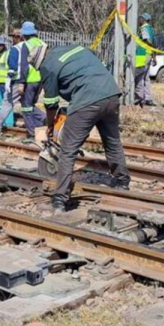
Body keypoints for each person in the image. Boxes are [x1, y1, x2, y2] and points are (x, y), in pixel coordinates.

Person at [29, 43, 131, 213]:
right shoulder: (74, 48)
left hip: (87, 100)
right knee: (112, 142)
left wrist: (50, 124)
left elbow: (51, 103)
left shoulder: (47, 66)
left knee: (67, 150)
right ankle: (123, 182)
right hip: (111, 93)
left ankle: (59, 200)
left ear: (39, 61)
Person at [7, 22, 46, 139]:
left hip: (29, 80)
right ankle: (41, 134)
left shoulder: (26, 45)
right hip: (40, 80)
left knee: (26, 108)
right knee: (31, 105)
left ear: (24, 35)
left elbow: (24, 66)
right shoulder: (42, 44)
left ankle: (32, 134)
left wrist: (21, 84)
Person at [0, 36, 16, 133]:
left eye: (0, 45)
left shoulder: (8, 54)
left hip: (6, 82)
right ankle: (2, 122)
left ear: (4, 45)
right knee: (1, 103)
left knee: (7, 103)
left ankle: (9, 123)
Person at [134, 13, 156, 106]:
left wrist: (150, 46)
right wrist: (154, 55)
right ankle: (148, 98)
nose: (139, 20)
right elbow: (154, 42)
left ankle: (140, 98)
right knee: (146, 78)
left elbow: (146, 39)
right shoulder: (151, 29)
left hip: (142, 55)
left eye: (141, 18)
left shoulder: (143, 28)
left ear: (145, 20)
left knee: (139, 77)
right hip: (149, 54)